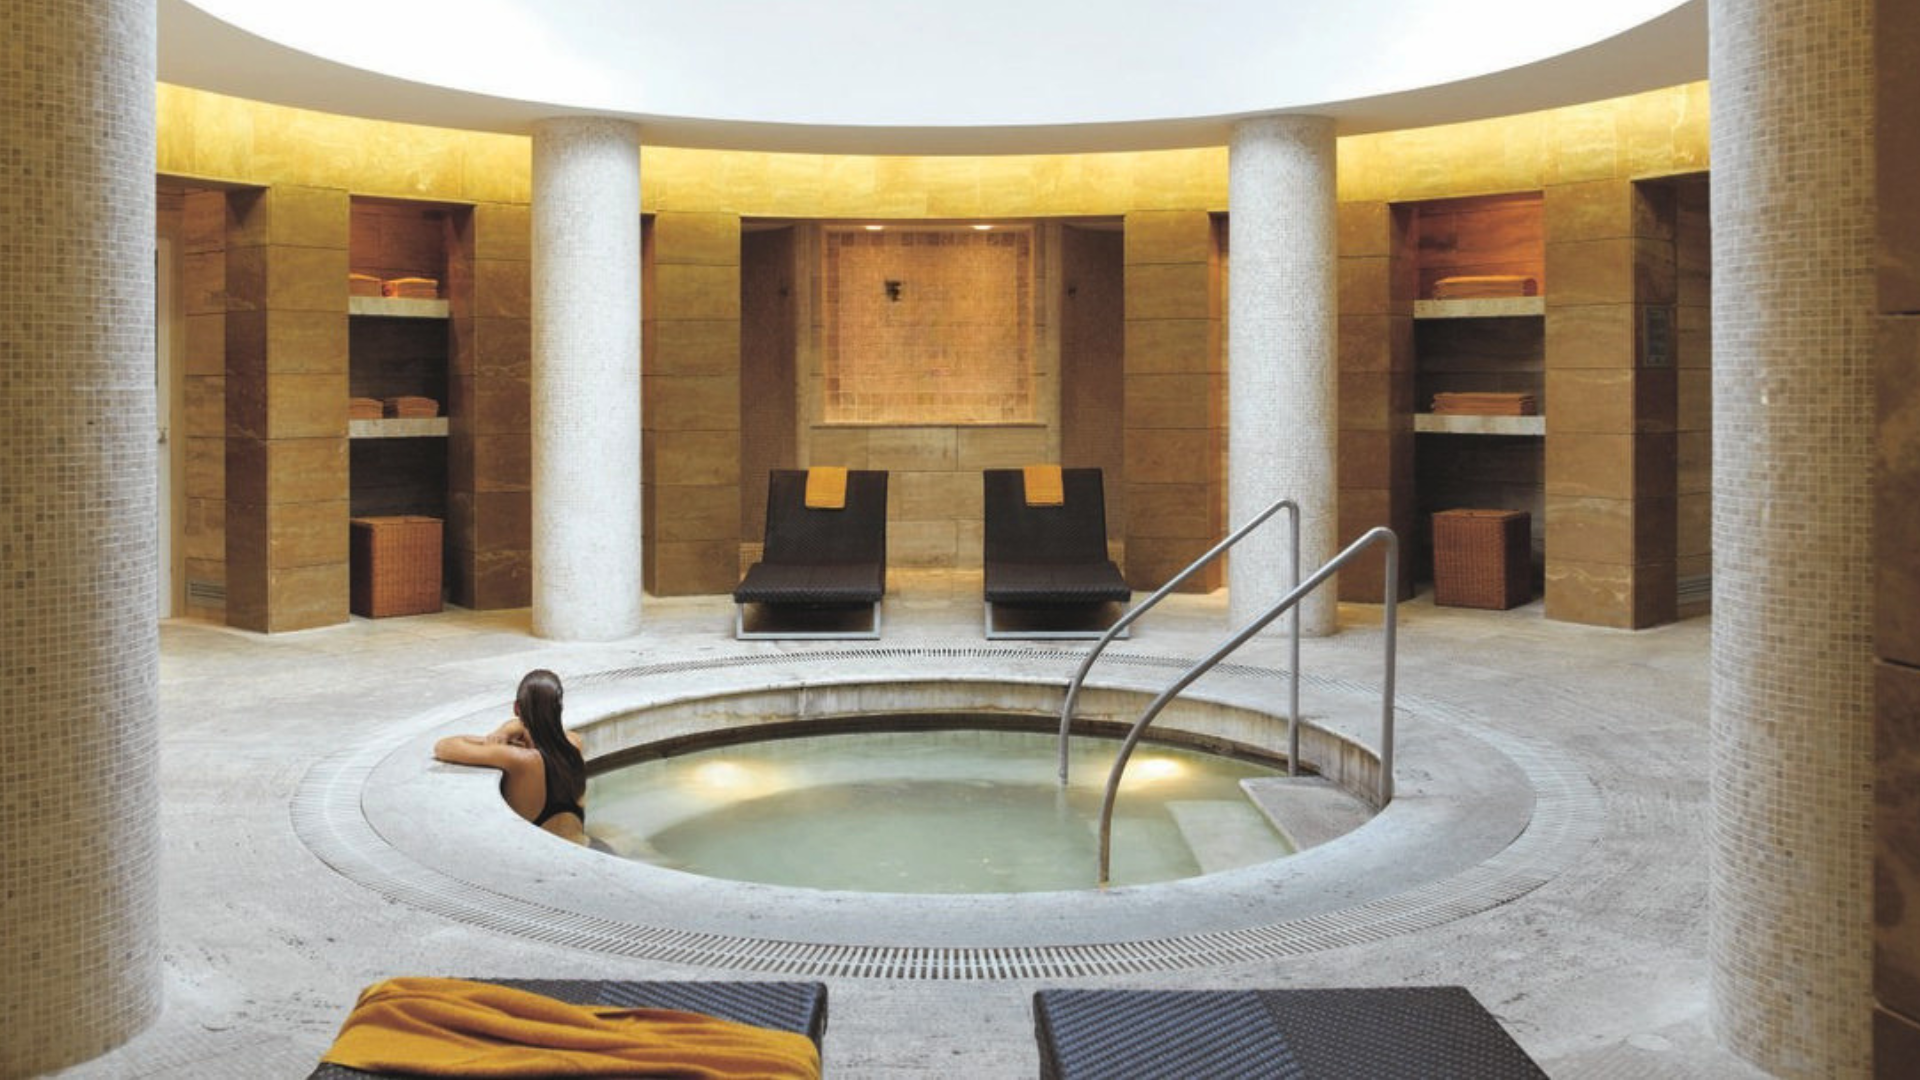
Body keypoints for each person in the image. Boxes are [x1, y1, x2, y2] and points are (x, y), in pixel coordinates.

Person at [433, 669, 588, 845]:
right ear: (560, 708)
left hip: (541, 860)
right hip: (584, 846)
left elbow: (443, 747)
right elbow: (540, 730)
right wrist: (508, 729)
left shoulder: (518, 759)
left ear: (516, 708)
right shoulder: (575, 743)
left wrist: (500, 734)